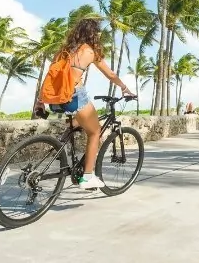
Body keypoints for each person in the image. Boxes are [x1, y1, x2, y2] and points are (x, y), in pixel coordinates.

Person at [34, 18, 134, 190]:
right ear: (93, 34)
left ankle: (66, 137)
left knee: (82, 120)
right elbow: (110, 74)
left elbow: (50, 76)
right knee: (95, 132)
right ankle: (87, 177)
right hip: (74, 96)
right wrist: (124, 88)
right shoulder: (90, 51)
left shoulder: (63, 51)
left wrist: (40, 100)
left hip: (56, 98)